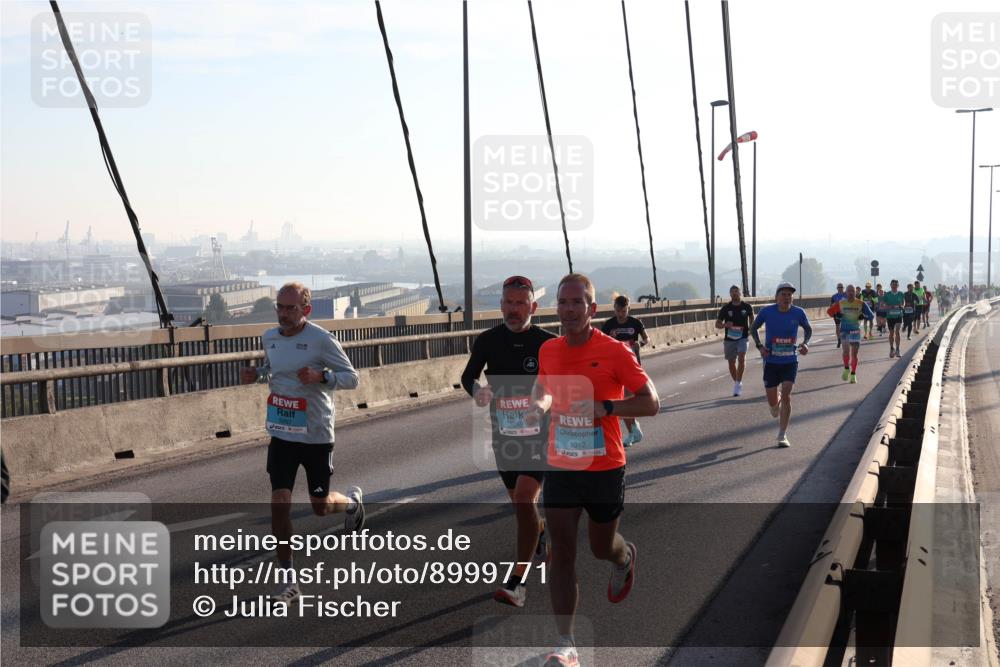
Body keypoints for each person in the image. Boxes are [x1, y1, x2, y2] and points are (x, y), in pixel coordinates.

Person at [525, 273, 659, 667]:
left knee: (602, 548)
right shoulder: (549, 350)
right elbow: (544, 389)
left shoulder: (616, 351)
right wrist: (540, 406)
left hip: (604, 467)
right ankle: (566, 644)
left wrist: (608, 408)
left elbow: (651, 403)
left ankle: (624, 558)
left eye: (576, 302)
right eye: (563, 302)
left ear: (591, 308)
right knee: (560, 551)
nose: (568, 310)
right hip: (562, 463)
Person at [240, 282, 364, 605]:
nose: (283, 314)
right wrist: (258, 372)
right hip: (282, 432)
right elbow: (275, 369)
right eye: (279, 307)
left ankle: (352, 504)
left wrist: (322, 377)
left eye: (290, 308)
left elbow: (352, 378)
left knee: (319, 508)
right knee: (279, 502)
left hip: (316, 435)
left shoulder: (322, 340)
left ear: (305, 310)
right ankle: (288, 580)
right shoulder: (269, 338)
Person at [461, 275, 556, 607]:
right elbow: (468, 375)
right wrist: (478, 391)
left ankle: (518, 582)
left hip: (539, 437)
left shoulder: (549, 343)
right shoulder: (488, 340)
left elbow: (562, 385)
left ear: (533, 306)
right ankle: (540, 532)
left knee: (525, 502)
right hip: (504, 435)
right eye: (508, 302)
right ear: (500, 305)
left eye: (520, 303)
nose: (513, 309)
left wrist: (544, 404)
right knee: (521, 504)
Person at [749, 282, 812, 448]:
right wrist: (760, 347)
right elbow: (753, 328)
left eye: (789, 294)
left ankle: (782, 434)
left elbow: (808, 329)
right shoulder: (767, 312)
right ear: (777, 297)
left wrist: (805, 343)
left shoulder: (798, 312)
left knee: (787, 394)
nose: (787, 297)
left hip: (790, 359)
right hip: (771, 361)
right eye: (783, 294)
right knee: (773, 403)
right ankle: (774, 402)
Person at [600, 295, 650, 445]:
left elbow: (647, 339)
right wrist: (610, 338)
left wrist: (640, 344)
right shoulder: (609, 324)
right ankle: (633, 430)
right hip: (613, 365)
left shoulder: (635, 323)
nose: (621, 314)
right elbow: (601, 342)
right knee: (620, 399)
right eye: (618, 311)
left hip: (632, 364)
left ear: (628, 309)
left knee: (627, 399)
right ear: (614, 309)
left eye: (623, 311)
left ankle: (633, 430)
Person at [828, 284, 875, 382]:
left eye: (852, 291)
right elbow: (829, 312)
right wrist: (837, 314)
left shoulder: (861, 303)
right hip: (844, 330)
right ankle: (846, 368)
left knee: (854, 354)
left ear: (855, 292)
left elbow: (871, 315)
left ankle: (853, 374)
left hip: (855, 331)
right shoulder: (841, 303)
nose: (851, 293)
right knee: (846, 351)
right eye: (849, 291)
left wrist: (863, 316)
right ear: (846, 292)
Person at [715, 285, 755, 396]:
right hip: (729, 339)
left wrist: (752, 326)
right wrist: (724, 325)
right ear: (730, 294)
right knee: (731, 362)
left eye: (736, 291)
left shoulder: (747, 307)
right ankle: (737, 382)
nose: (734, 294)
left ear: (740, 293)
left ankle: (737, 385)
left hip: (743, 337)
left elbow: (752, 317)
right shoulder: (726, 308)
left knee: (741, 358)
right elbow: (717, 324)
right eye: (732, 292)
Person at [881, 279, 905, 358]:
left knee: (897, 331)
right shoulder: (887, 294)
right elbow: (882, 304)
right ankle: (892, 348)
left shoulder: (901, 294)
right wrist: (888, 306)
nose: (894, 286)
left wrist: (902, 306)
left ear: (898, 285)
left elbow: (903, 303)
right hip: (890, 316)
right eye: (893, 284)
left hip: (898, 315)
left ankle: (898, 349)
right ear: (890, 285)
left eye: (896, 284)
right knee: (891, 333)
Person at [830, 283, 847, 349]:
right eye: (839, 287)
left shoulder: (846, 295)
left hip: (845, 313)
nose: (840, 288)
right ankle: (839, 340)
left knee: (844, 326)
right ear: (837, 288)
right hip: (837, 313)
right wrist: (834, 304)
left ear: (843, 288)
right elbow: (831, 306)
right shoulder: (834, 296)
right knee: (837, 327)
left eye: (841, 287)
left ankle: (844, 339)